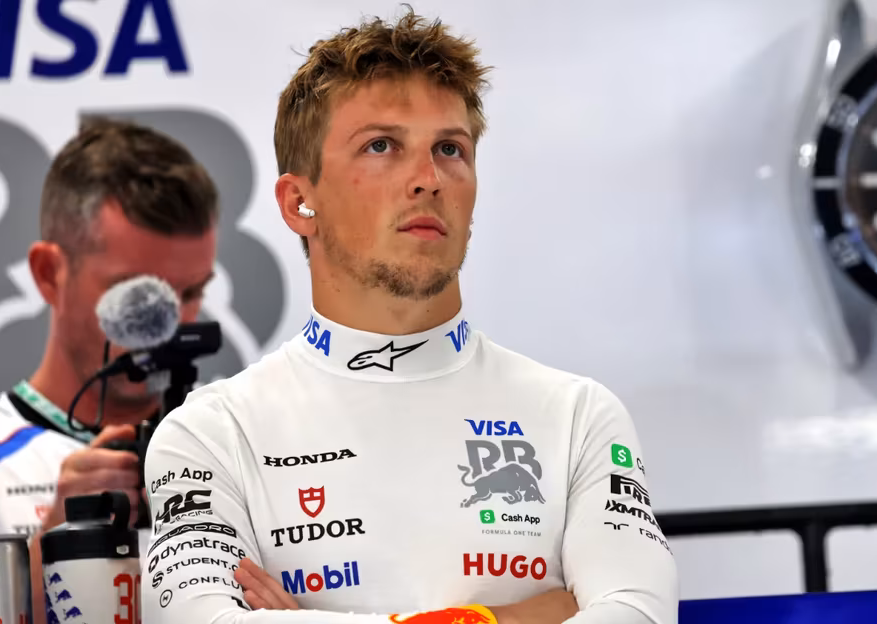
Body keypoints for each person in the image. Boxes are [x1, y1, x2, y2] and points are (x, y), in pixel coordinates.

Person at [140, 9, 678, 624]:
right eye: (381, 146)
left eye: (450, 149)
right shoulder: (210, 435)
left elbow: (640, 614)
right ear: (299, 202)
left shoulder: (578, 416)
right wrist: (509, 617)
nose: (428, 180)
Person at [0, 116, 217, 620]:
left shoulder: (233, 441)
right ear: (49, 274)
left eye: (191, 292)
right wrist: (53, 552)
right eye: (137, 295)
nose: (168, 324)